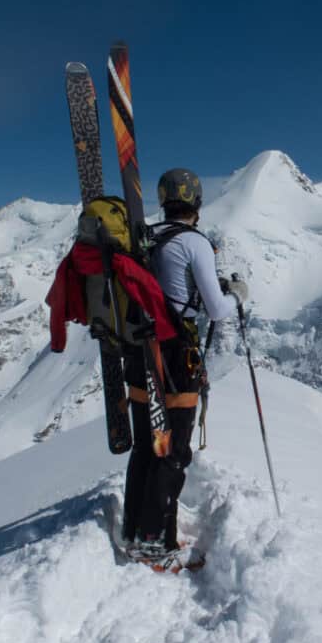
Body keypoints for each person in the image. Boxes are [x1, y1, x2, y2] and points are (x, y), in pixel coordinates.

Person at [122, 168, 248, 562]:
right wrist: (239, 293)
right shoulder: (194, 243)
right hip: (176, 356)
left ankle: (135, 530)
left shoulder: (147, 239)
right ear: (196, 202)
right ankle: (155, 543)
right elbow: (215, 309)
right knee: (172, 449)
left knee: (147, 444)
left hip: (139, 350)